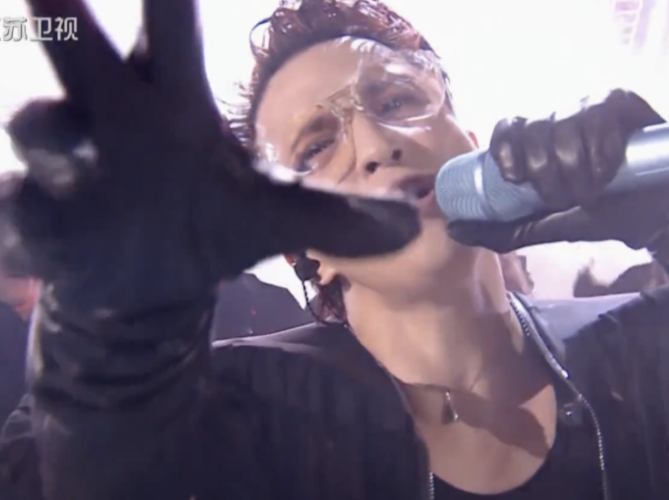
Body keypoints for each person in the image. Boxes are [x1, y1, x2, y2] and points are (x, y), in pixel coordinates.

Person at [1, 1, 668, 500]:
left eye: (397, 100)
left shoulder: (641, 344)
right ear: (305, 251)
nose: (375, 145)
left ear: (468, 140)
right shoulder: (241, 409)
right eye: (315, 147)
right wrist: (114, 340)